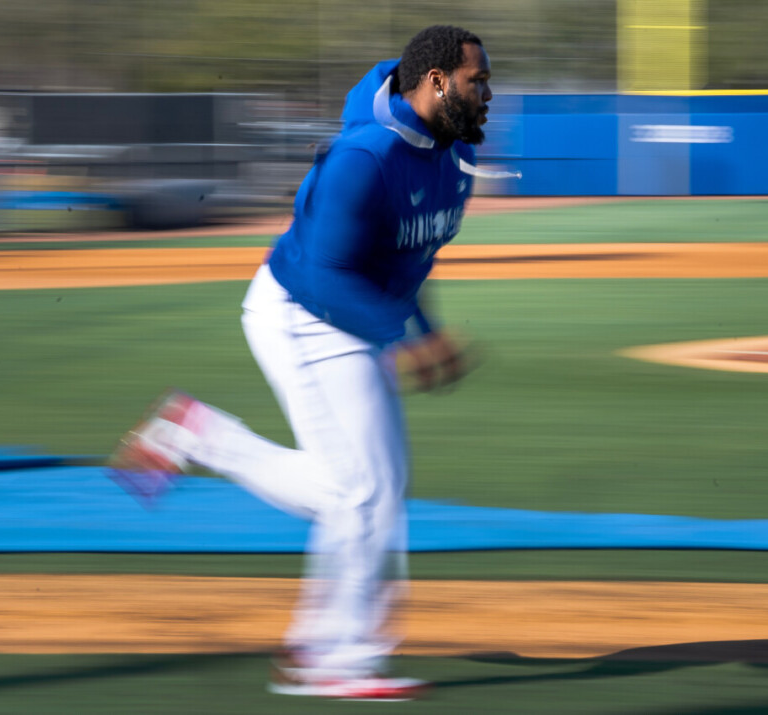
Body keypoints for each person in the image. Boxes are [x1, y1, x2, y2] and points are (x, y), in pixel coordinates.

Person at [109, 25, 515, 701]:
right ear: (437, 81)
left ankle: (194, 434)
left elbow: (410, 261)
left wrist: (423, 328)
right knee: (360, 492)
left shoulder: (451, 158)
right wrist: (409, 340)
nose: (489, 93)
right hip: (301, 314)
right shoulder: (365, 156)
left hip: (355, 321)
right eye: (479, 80)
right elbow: (327, 275)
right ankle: (330, 655)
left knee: (369, 490)